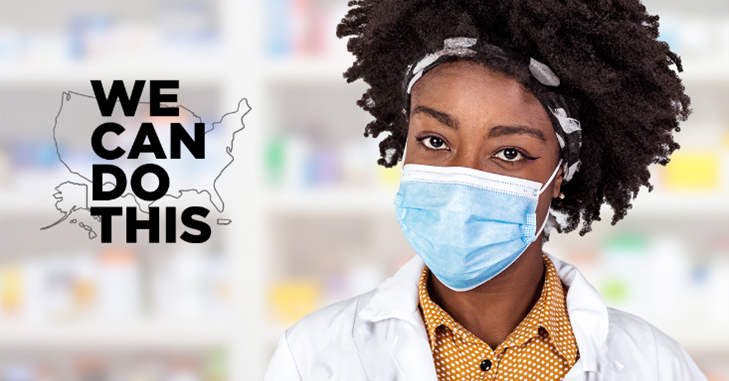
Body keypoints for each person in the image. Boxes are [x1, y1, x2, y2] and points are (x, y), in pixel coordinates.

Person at [263, 0, 706, 380]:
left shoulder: (654, 365)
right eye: (435, 142)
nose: (462, 177)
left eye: (510, 152)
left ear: (561, 176)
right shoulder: (313, 357)